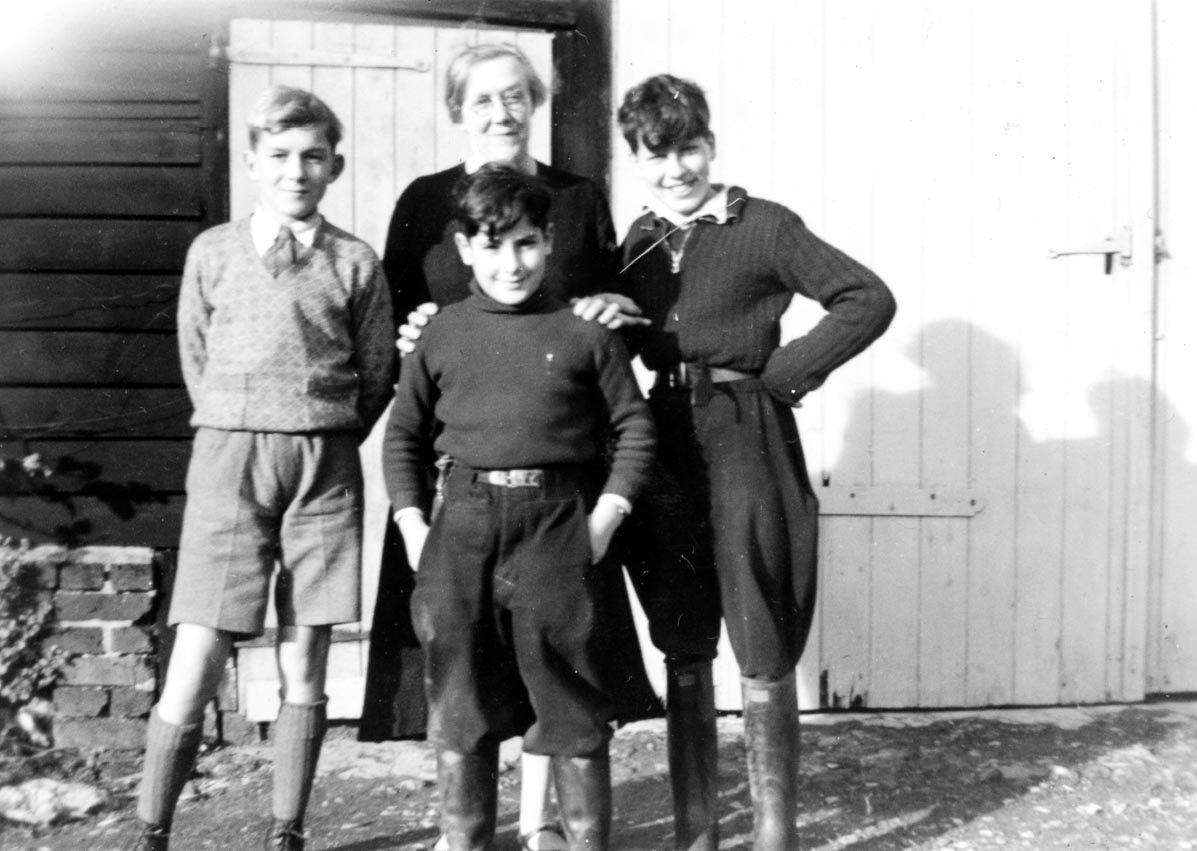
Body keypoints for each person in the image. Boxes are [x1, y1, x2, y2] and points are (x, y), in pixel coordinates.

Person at [360, 42, 656, 851]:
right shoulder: (425, 204)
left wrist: (610, 307)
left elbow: (611, 318)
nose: (501, 111)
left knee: (562, 669)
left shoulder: (578, 198)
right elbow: (396, 329)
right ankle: (470, 834)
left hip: (559, 482)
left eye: (515, 94)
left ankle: (546, 825)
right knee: (467, 677)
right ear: (458, 110)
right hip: (464, 488)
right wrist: (415, 336)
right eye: (482, 98)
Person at [610, 74, 897, 850]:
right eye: (656, 154)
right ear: (636, 159)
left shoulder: (764, 224)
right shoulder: (637, 241)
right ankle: (696, 832)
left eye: (689, 148)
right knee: (682, 632)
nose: (676, 168)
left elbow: (865, 297)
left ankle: (775, 835)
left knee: (760, 617)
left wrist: (785, 374)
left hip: (745, 432)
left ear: (711, 145)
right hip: (665, 439)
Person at [126, 85, 395, 851]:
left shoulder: (355, 261)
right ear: (251, 161)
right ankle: (152, 827)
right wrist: (240, 416)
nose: (295, 171)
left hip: (323, 464)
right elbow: (196, 356)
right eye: (278, 155)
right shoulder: (212, 252)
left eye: (312, 156)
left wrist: (319, 423)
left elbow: (377, 371)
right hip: (231, 457)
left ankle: (287, 828)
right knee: (200, 646)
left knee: (305, 650)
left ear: (335, 165)